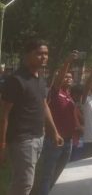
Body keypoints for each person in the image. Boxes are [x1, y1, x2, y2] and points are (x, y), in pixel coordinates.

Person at [0, 39, 63, 195]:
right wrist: (1, 145)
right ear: (27, 55)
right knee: (23, 184)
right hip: (22, 140)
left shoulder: (40, 80)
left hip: (38, 137)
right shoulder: (16, 80)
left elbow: (44, 106)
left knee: (27, 181)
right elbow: (3, 114)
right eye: (39, 53)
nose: (44, 57)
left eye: (46, 54)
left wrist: (54, 132)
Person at [31, 50, 81, 195]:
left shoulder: (68, 95)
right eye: (66, 76)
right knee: (47, 175)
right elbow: (58, 78)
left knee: (60, 174)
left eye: (71, 77)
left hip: (68, 141)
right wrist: (68, 61)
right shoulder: (55, 91)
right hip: (54, 141)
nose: (69, 78)